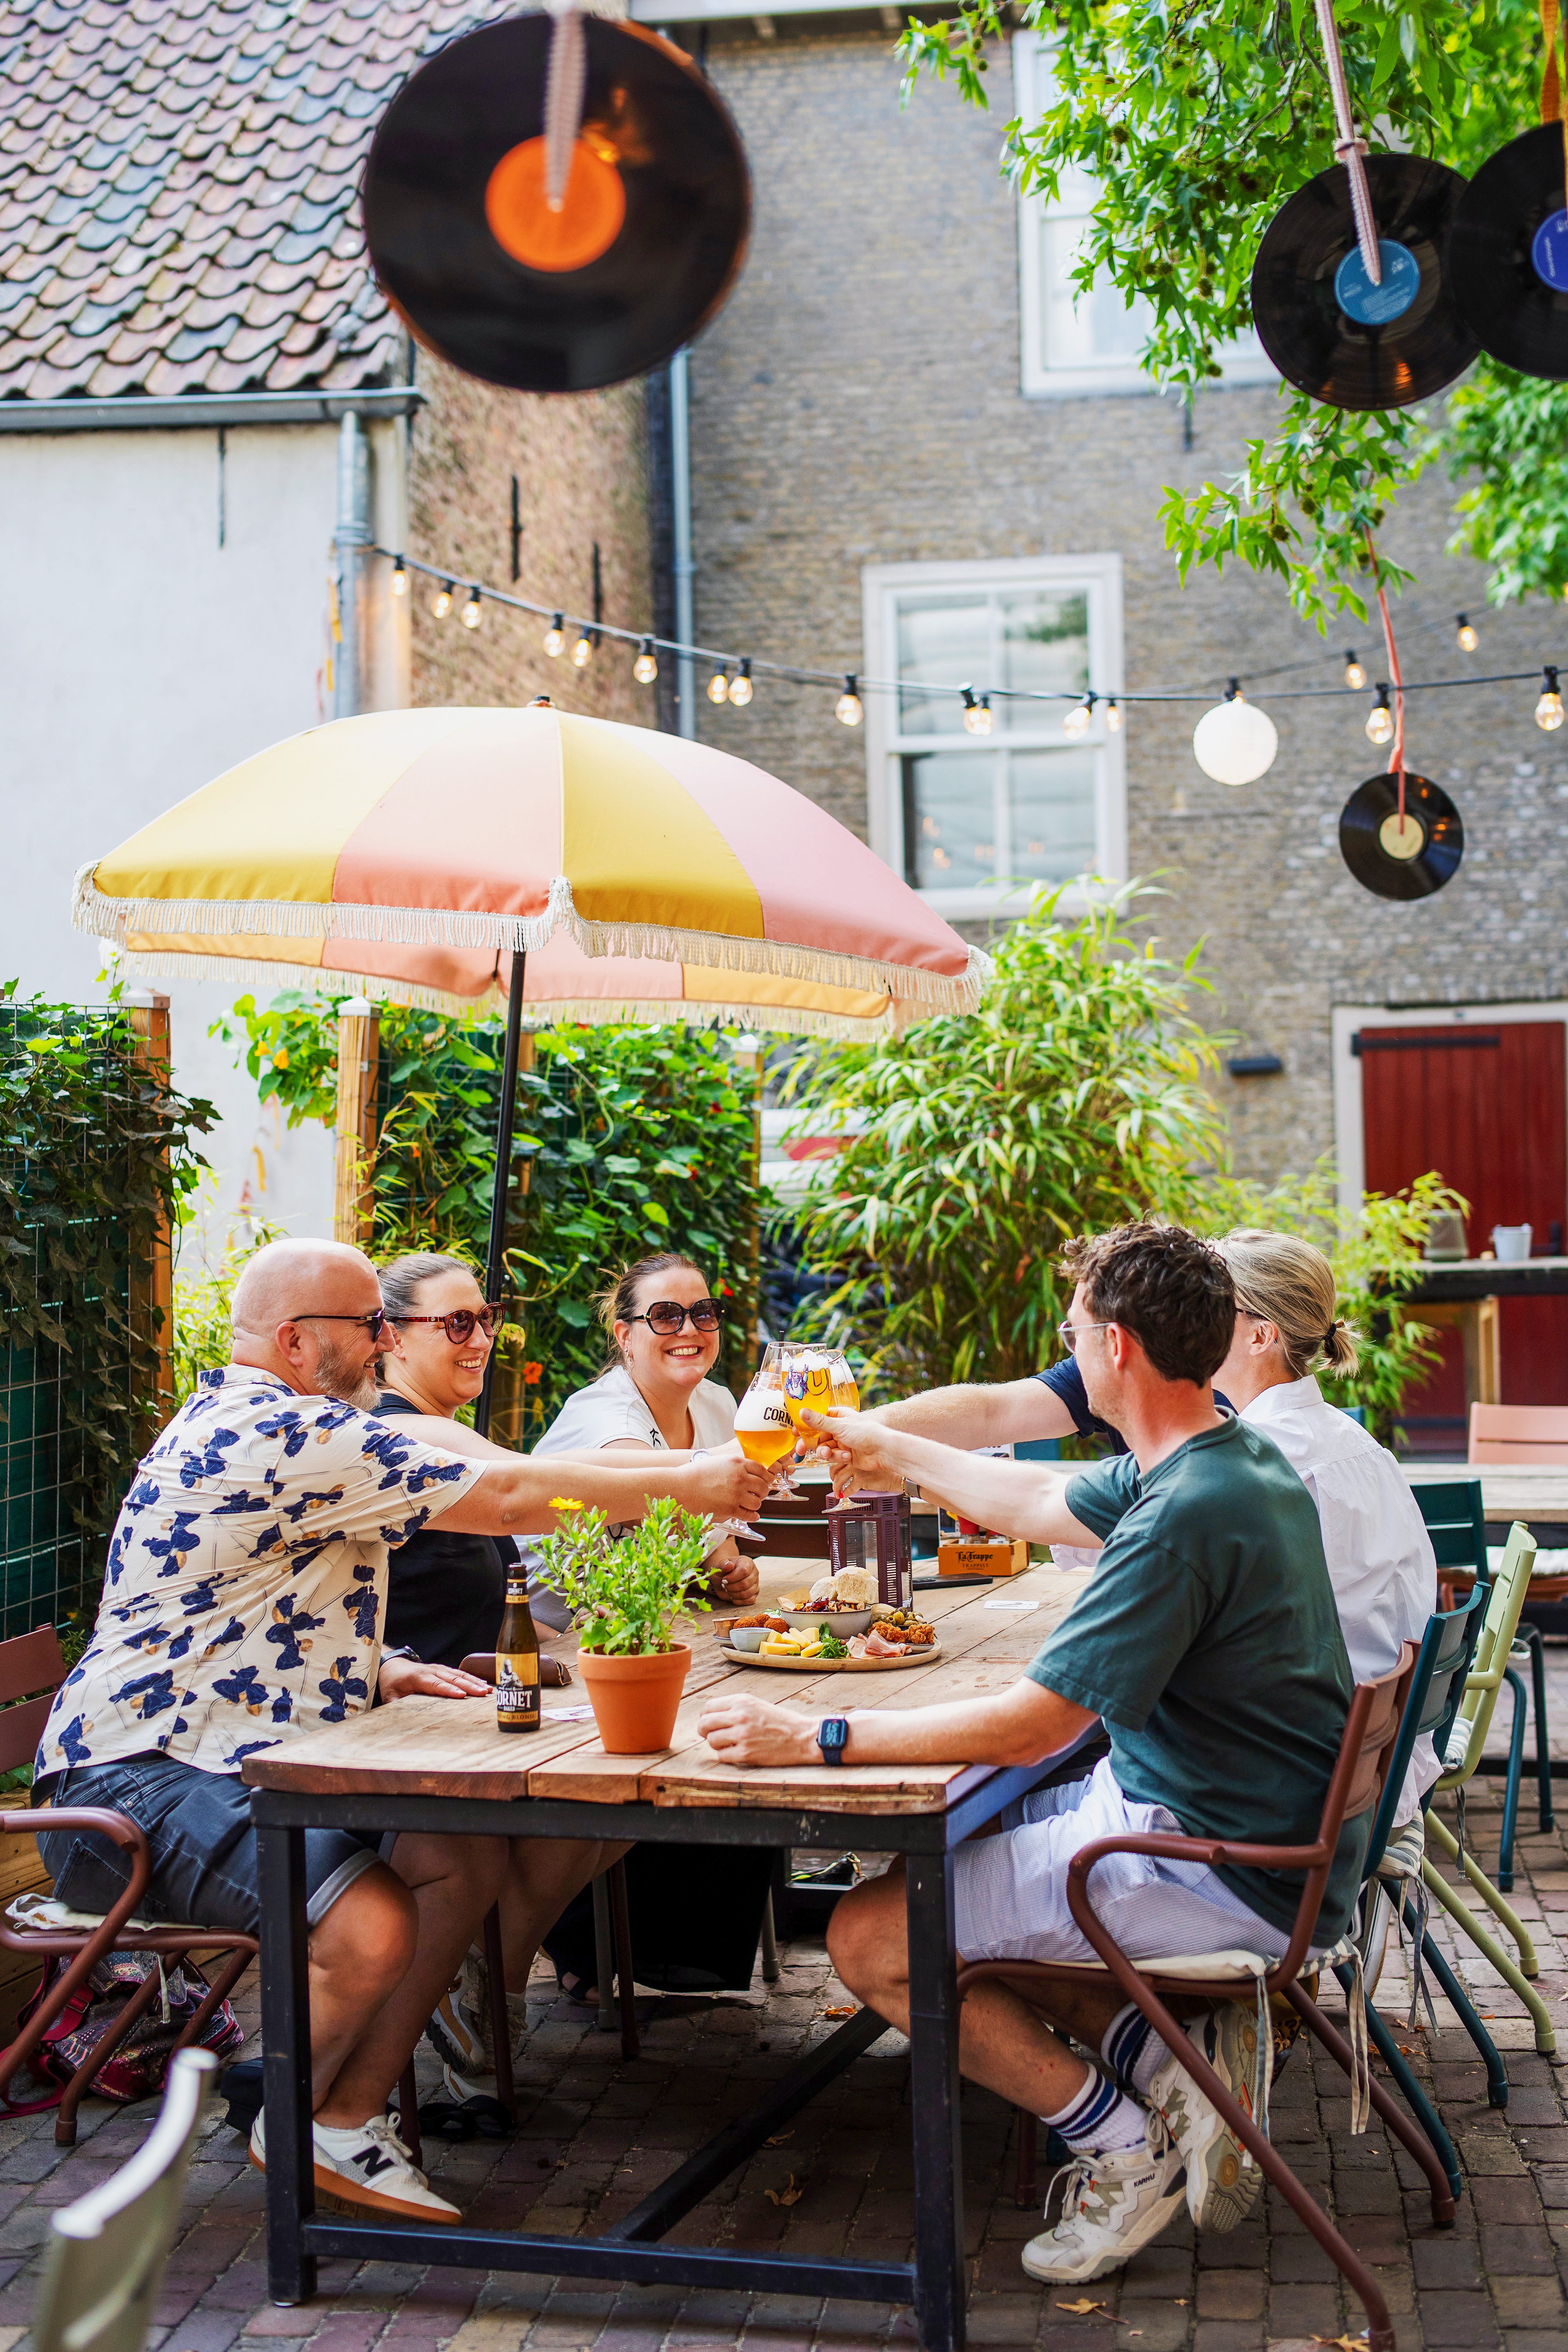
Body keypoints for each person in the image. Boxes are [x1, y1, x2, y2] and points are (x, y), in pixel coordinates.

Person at [34, 1238, 770, 2225]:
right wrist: (703, 1481)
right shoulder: (285, 1432)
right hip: (132, 1782)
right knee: (367, 1918)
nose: (385, 1341)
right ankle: (298, 2112)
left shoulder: (260, 1422)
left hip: (210, 1755)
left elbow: (223, 1603)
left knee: (450, 1850)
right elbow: (511, 1496)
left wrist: (378, 1665)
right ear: (297, 1342)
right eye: (370, 1325)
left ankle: (334, 2114)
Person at [697, 1223, 1367, 2286]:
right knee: (980, 1863)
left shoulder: (1181, 1513)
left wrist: (817, 1735)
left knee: (877, 1932)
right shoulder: (1224, 1455)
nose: (1063, 1344)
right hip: (1252, 1834)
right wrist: (884, 1444)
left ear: (1116, 1347)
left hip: (1217, 1867)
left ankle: (1119, 2148)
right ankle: (1177, 2075)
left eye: (1071, 1329)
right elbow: (1030, 1499)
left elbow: (1034, 1727)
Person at [523, 1253, 774, 2006]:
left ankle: (682, 1956)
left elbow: (707, 1520)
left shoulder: (719, 1406)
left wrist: (733, 1567)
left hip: (651, 1626)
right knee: (703, 1733)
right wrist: (709, 1514)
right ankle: (593, 1946)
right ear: (626, 1334)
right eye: (667, 1316)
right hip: (558, 1642)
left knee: (748, 1722)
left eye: (704, 1313)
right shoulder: (605, 1413)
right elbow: (642, 1481)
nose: (690, 1329)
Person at [1211, 1229, 1437, 1822]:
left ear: (1261, 1335)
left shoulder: (1263, 1455)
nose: (1185, 1321)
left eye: (1207, 1305)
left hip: (1309, 1786)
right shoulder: (1351, 1441)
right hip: (1378, 1763)